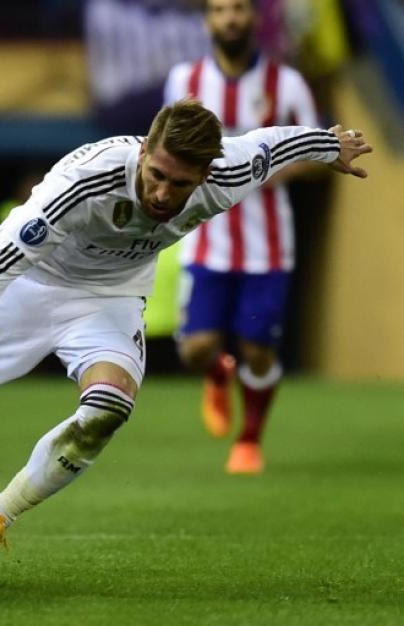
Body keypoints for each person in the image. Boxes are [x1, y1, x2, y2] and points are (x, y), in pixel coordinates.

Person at [0, 98, 371, 576]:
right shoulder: (84, 183)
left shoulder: (228, 171)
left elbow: (271, 144)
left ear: (205, 174)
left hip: (109, 297)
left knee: (108, 409)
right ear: (145, 149)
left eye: (179, 183)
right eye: (155, 173)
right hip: (31, 283)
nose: (161, 192)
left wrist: (330, 144)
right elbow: (1, 262)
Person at [165, 0, 323, 474]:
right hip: (206, 239)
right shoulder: (185, 81)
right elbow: (164, 145)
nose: (229, 18)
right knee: (195, 350)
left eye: (237, 9)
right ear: (207, 21)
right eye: (219, 10)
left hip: (267, 247)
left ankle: (249, 439)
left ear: (253, 18)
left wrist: (279, 168)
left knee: (258, 348)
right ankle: (217, 372)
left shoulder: (286, 84)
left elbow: (317, 152)